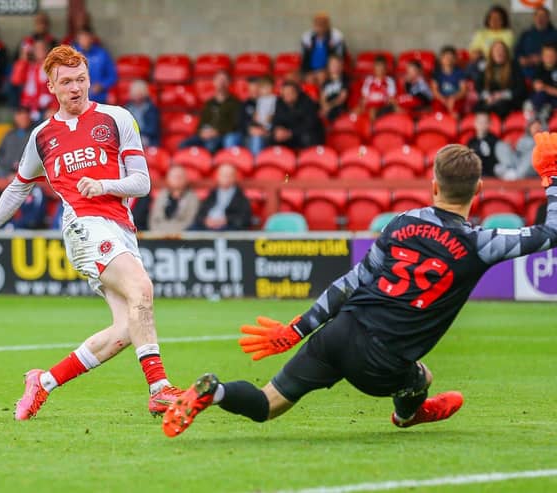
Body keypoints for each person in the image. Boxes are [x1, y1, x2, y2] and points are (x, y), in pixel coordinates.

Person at [162, 139, 557, 438]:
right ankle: (407, 415)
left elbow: (351, 282)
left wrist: (297, 329)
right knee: (422, 377)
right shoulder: (480, 242)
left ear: (433, 185)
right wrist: (552, 177)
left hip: (339, 331)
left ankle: (215, 393)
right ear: (480, 189)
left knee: (268, 404)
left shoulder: (401, 223)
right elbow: (550, 231)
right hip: (380, 361)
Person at [0, 45, 182, 420]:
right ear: (51, 86)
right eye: (66, 82)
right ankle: (159, 390)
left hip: (121, 229)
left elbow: (141, 183)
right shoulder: (42, 136)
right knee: (142, 289)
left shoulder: (117, 118)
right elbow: (17, 188)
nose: (75, 88)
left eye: (81, 79)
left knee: (127, 329)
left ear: (90, 79)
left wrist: (105, 185)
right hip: (83, 226)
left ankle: (43, 382)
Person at [179, 71, 242, 153]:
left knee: (210, 146)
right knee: (183, 145)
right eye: (219, 80)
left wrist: (216, 132)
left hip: (221, 135)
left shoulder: (235, 103)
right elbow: (201, 123)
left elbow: (234, 125)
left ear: (229, 83)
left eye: (224, 80)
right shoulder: (208, 103)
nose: (221, 83)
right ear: (214, 82)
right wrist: (201, 132)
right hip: (205, 135)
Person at [474, 41, 526, 118]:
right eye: (496, 50)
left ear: (506, 53)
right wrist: (487, 96)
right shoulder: (486, 67)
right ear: (491, 53)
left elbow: (520, 88)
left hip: (508, 100)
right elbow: (478, 85)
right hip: (491, 98)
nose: (499, 53)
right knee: (477, 108)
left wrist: (502, 95)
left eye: (501, 50)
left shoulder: (514, 66)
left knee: (501, 107)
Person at [192, 164, 251, 231]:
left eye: (229, 175)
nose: (226, 178)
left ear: (234, 177)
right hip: (207, 227)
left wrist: (226, 220)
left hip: (228, 228)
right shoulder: (211, 194)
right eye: (223, 175)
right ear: (218, 177)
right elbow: (200, 214)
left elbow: (244, 218)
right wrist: (206, 221)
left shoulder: (241, 197)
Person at [272, 81, 324, 149]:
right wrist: (278, 129)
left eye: (290, 93)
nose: (287, 95)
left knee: (307, 138)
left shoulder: (307, 102)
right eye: (285, 93)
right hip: (288, 134)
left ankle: (310, 158)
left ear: (297, 93)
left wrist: (291, 133)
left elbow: (310, 124)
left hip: (305, 133)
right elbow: (276, 120)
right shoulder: (279, 102)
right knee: (273, 138)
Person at [10, 38, 53, 120]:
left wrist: (54, 107)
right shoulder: (28, 66)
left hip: (48, 107)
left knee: (51, 116)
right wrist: (24, 57)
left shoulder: (54, 66)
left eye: (42, 48)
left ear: (47, 49)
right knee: (21, 117)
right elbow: (16, 80)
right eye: (37, 48)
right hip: (29, 106)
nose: (40, 50)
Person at [300, 12, 347, 86]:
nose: (320, 26)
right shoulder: (307, 37)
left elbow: (339, 58)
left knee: (321, 76)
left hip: (327, 69)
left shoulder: (336, 36)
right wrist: (307, 72)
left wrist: (326, 70)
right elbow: (304, 58)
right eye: (317, 24)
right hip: (310, 69)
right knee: (299, 77)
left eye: (322, 23)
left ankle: (322, 96)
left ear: (328, 24)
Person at [150, 166, 199, 234]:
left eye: (180, 176)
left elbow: (190, 221)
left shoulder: (192, 198)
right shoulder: (161, 195)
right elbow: (153, 220)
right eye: (174, 176)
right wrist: (161, 233)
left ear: (186, 179)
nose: (177, 179)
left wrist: (171, 233)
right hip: (158, 236)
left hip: (182, 237)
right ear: (167, 178)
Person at [73, 28, 117, 104]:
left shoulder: (102, 53)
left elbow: (112, 76)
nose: (84, 41)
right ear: (77, 39)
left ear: (92, 39)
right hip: (78, 97)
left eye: (87, 37)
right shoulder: (71, 55)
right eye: (82, 38)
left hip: (100, 96)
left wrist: (102, 85)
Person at [515, 6, 557, 79]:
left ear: (548, 18)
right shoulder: (526, 34)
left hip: (548, 73)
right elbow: (517, 51)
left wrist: (543, 58)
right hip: (526, 70)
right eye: (537, 15)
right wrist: (522, 59)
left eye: (543, 16)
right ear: (534, 17)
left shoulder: (555, 34)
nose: (540, 18)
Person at [466, 111, 509, 177]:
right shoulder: (471, 142)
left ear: (490, 124)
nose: (482, 125)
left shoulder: (495, 141)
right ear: (475, 123)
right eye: (480, 122)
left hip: (492, 176)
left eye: (485, 122)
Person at [356, 55, 397, 120]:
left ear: (385, 68)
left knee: (373, 111)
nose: (380, 69)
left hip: (383, 105)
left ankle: (373, 128)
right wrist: (363, 104)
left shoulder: (389, 81)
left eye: (382, 66)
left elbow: (391, 97)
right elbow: (364, 96)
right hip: (370, 104)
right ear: (374, 67)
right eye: (378, 66)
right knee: (357, 111)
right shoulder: (369, 80)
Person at [0, 107, 33, 177]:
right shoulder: (9, 135)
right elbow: (0, 154)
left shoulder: (35, 134)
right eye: (20, 117)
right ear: (16, 118)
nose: (23, 120)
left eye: (25, 117)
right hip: (7, 173)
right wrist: (9, 167)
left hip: (29, 174)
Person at [431, 46, 467, 117]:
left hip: (456, 98)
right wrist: (443, 99)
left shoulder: (459, 72)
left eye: (451, 58)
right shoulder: (436, 73)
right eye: (446, 57)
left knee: (454, 115)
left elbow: (463, 90)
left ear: (455, 59)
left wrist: (453, 98)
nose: (449, 60)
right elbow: (434, 90)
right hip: (441, 98)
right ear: (441, 59)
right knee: (438, 115)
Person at [125, 79, 160, 147]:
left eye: (139, 93)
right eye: (135, 93)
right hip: (130, 136)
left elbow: (151, 129)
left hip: (146, 137)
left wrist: (136, 133)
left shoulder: (150, 108)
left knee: (141, 141)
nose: (136, 95)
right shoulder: (127, 107)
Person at [246, 77, 276, 155]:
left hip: (269, 127)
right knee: (256, 137)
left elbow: (273, 113)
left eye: (267, 87)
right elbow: (257, 112)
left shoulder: (274, 99)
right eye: (263, 88)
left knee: (258, 138)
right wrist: (255, 116)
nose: (265, 90)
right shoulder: (260, 100)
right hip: (260, 125)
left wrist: (271, 117)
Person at [531, 42, 557, 119]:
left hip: (554, 100)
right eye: (546, 55)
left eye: (551, 55)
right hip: (543, 99)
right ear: (542, 56)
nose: (548, 58)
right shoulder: (539, 68)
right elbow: (537, 87)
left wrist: (545, 87)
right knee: (539, 96)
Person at [320, 55, 349, 122]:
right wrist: (324, 106)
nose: (335, 66)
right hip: (327, 109)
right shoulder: (325, 82)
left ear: (341, 66)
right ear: (328, 67)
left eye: (336, 64)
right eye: (332, 64)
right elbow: (322, 98)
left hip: (339, 109)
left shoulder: (345, 80)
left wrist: (329, 107)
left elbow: (342, 98)